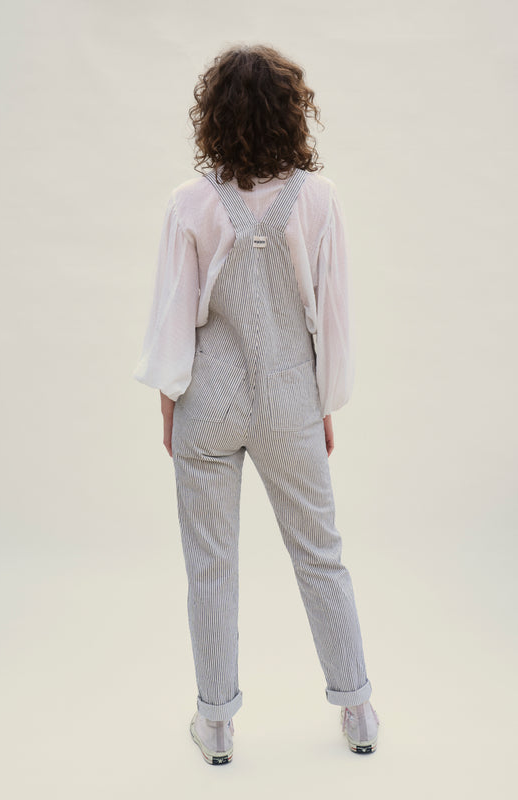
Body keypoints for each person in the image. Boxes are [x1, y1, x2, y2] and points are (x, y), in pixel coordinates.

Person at [133, 43, 380, 764]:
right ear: (292, 113)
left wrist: (170, 403)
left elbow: (173, 316)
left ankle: (215, 723)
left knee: (209, 564)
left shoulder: (190, 202)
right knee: (320, 554)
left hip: (207, 399)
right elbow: (331, 316)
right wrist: (322, 400)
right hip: (290, 397)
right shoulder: (319, 200)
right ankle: (358, 710)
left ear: (212, 116)